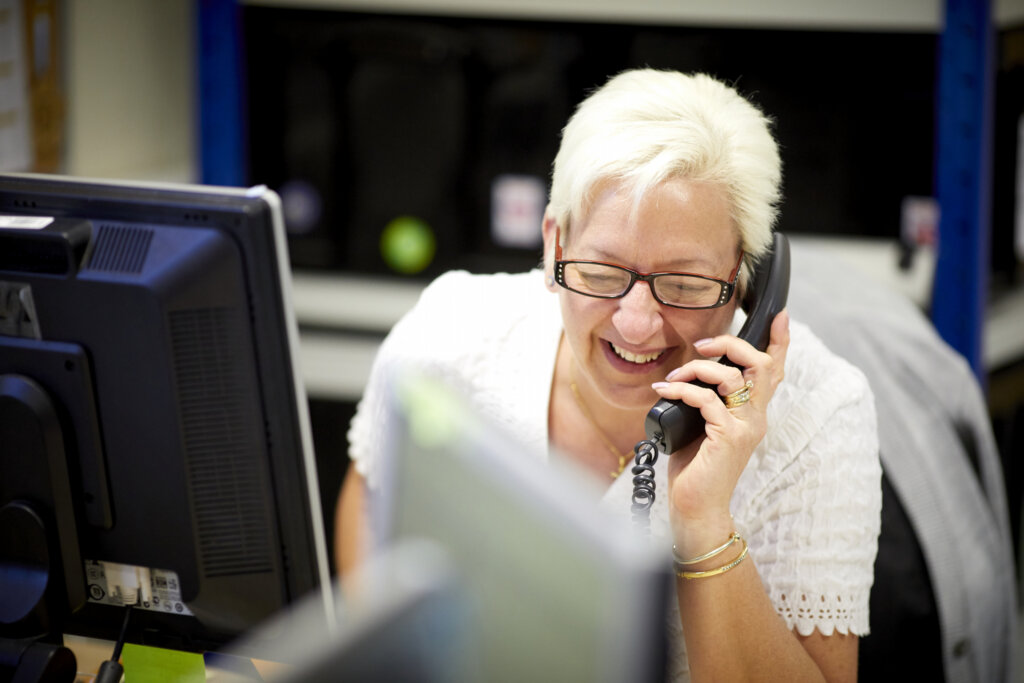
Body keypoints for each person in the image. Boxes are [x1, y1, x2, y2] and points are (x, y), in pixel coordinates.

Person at [337, 68, 882, 682]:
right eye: (601, 271)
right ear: (552, 247)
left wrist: (703, 520)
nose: (637, 324)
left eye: (684, 284)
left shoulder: (820, 417)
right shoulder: (455, 331)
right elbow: (371, 501)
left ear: (749, 286)